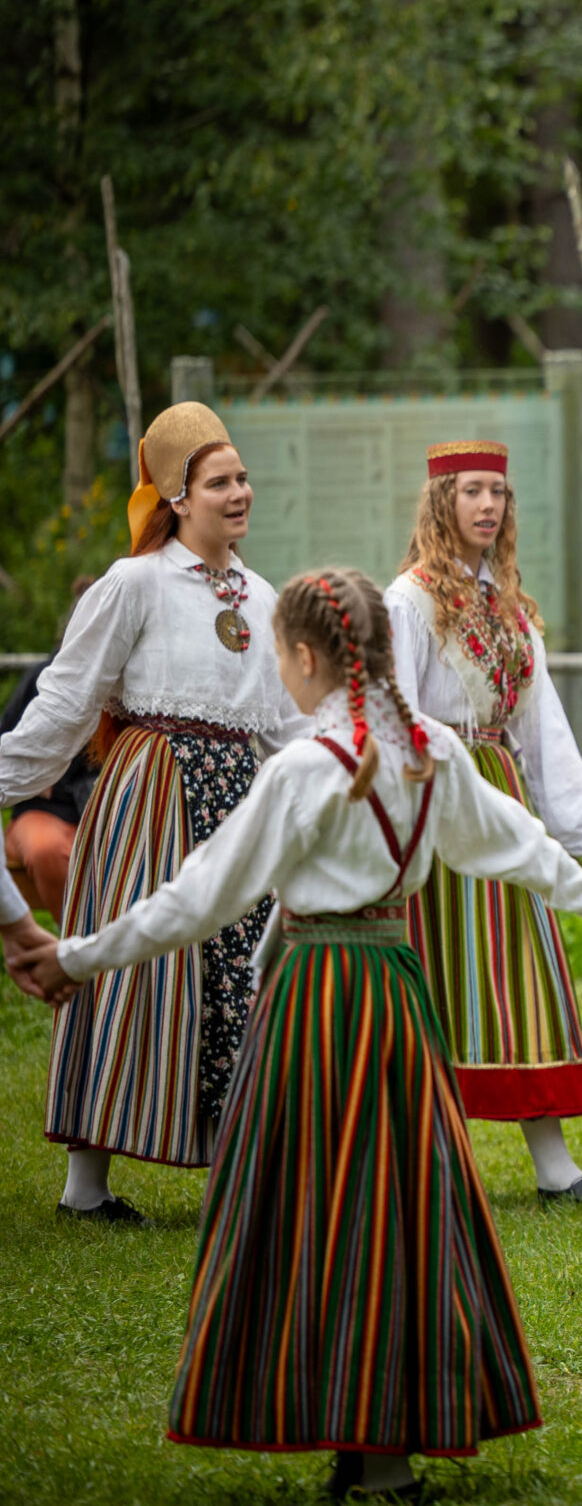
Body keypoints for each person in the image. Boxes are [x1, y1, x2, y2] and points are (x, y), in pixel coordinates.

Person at [16, 567, 582, 1500]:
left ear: (307, 656)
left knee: (322, 1210)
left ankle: (367, 1446)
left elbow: (197, 898)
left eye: (281, 653)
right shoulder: (430, 751)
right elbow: (527, 848)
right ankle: (378, 1439)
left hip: (318, 1003)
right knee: (397, 1208)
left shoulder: (307, 768)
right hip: (395, 994)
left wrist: (78, 956)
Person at [0, 404, 307, 1221]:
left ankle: (233, 1171)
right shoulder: (132, 583)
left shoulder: (261, 594)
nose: (240, 492)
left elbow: (286, 725)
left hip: (237, 797)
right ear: (176, 495)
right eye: (220, 481)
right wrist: (5, 773)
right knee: (137, 967)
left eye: (242, 477)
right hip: (153, 794)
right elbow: (67, 703)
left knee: (239, 972)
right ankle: (86, 1186)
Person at [387, 440, 582, 1203]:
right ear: (440, 503)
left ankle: (556, 1167)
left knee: (519, 970)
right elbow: (393, 710)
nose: (488, 505)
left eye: (497, 491)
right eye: (472, 492)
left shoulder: (510, 607)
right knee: (433, 975)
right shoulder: (410, 598)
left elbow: (543, 727)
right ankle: (420, 1164)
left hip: (499, 789)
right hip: (437, 793)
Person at [1, 578, 100, 919]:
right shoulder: (43, 676)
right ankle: (78, 954)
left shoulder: (125, 684)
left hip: (100, 814)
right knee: (47, 849)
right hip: (43, 813)